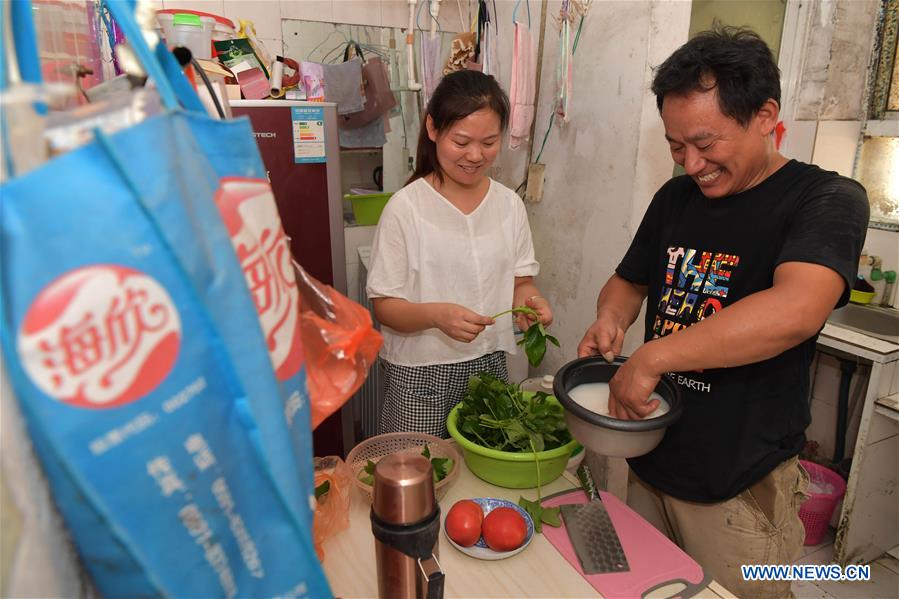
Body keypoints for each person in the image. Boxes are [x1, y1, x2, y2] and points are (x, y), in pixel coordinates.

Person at [577, 27, 868, 598]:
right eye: (675, 146)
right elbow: (629, 281)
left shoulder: (825, 199)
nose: (691, 164)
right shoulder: (675, 198)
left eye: (705, 144)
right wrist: (612, 318)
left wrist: (654, 355)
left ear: (764, 115)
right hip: (652, 458)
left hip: (740, 489)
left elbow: (796, 310)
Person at [367, 70, 553, 438]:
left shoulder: (509, 205)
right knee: (420, 477)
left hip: (490, 368)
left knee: (480, 477)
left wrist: (532, 301)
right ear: (433, 129)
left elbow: (521, 281)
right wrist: (437, 316)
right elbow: (385, 306)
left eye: (488, 142)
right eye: (461, 141)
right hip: (420, 375)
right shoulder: (406, 208)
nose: (474, 155)